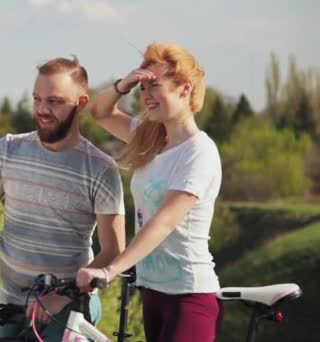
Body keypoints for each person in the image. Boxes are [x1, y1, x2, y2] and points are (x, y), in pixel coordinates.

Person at [0, 56, 126, 341]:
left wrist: (65, 297)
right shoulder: (8, 150)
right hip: (12, 303)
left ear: (80, 103)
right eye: (37, 99)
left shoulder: (100, 168)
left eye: (54, 101)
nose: (42, 109)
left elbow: (113, 250)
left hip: (67, 307)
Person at [76, 42, 223, 342]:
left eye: (154, 85)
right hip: (153, 293)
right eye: (143, 88)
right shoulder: (151, 140)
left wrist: (109, 271)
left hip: (189, 296)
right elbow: (99, 111)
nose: (146, 95)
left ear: (185, 89)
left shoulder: (199, 152)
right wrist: (123, 85)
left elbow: (164, 223)